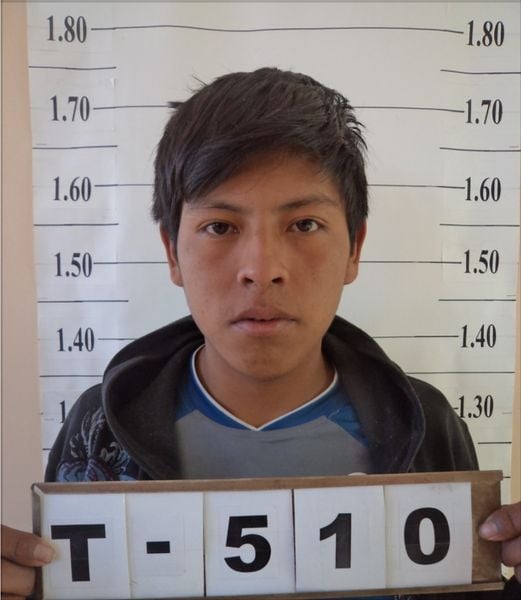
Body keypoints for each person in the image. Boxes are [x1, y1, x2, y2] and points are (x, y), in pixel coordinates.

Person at [2, 68, 520, 599]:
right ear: (172, 252)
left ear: (355, 248)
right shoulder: (100, 425)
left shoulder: (425, 424)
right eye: (220, 227)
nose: (263, 269)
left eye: (304, 225)